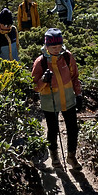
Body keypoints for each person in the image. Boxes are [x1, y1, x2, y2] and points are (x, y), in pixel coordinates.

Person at [32, 28, 84, 170]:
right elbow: (35, 87)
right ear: (46, 46)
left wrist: (78, 95)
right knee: (52, 129)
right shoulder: (40, 62)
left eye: (59, 46)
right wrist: (43, 80)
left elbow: (75, 77)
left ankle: (71, 156)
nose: (56, 50)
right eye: (53, 47)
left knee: (73, 129)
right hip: (50, 102)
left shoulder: (67, 57)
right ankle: (54, 156)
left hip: (68, 99)